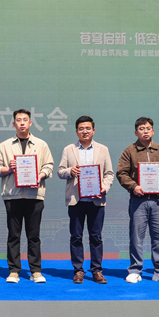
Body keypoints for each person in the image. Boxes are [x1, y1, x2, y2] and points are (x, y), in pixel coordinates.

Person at [0, 108, 54, 283]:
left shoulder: (41, 144)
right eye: (18, 120)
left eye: (25, 120)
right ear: (13, 124)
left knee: (33, 236)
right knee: (14, 235)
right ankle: (14, 271)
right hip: (12, 195)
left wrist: (40, 175)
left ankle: (36, 271)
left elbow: (49, 165)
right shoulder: (4, 146)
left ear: (30, 123)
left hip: (35, 195)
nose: (22, 123)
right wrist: (8, 169)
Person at [116, 117, 159, 284]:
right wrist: (133, 186)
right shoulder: (129, 151)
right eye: (141, 129)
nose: (145, 131)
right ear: (136, 132)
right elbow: (121, 173)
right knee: (136, 237)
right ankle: (135, 270)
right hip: (138, 201)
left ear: (153, 131)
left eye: (148, 128)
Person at [57, 116, 115, 284]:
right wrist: (70, 171)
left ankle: (97, 270)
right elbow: (60, 171)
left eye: (88, 128)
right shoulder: (69, 149)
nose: (85, 131)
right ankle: (78, 271)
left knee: (96, 237)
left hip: (96, 200)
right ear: (76, 131)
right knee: (76, 236)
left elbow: (109, 173)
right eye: (81, 128)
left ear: (93, 130)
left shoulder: (103, 149)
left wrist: (104, 188)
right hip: (76, 200)